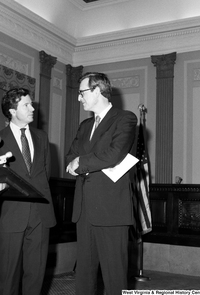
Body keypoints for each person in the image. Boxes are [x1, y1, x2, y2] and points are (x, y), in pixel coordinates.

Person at [66, 72, 138, 295]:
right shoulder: (85, 125)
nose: (79, 98)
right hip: (84, 208)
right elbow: (71, 156)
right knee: (84, 275)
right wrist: (78, 161)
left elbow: (113, 155)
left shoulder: (125, 118)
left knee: (114, 276)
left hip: (111, 208)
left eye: (82, 93)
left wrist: (82, 161)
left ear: (97, 91)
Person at [0, 88, 56, 295]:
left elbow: (45, 173)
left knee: (36, 275)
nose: (32, 108)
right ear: (12, 111)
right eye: (26, 105)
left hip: (41, 215)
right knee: (8, 277)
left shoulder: (42, 137)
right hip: (10, 216)